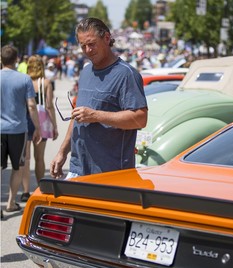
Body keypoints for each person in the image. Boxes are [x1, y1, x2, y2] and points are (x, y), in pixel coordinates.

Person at [50, 17, 148, 179]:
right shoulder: (86, 72)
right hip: (78, 169)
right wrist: (62, 152)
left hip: (110, 173)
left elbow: (140, 118)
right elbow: (77, 116)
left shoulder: (126, 74)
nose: (88, 50)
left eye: (92, 44)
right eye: (83, 46)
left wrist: (96, 116)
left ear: (107, 38)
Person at [1, 45, 41, 212]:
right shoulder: (24, 79)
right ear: (17, 59)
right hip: (18, 129)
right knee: (17, 167)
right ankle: (10, 203)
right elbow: (32, 106)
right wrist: (38, 127)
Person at [21, 55, 59, 201]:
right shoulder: (46, 82)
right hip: (42, 120)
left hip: (25, 118)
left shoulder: (25, 81)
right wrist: (54, 126)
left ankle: (25, 191)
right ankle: (39, 187)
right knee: (39, 157)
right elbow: (49, 106)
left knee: (26, 158)